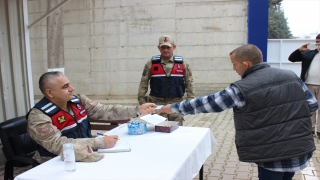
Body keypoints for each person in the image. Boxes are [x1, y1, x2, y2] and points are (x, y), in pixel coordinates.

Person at [158, 44, 318, 180]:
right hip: (299, 148)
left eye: (234, 64)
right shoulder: (291, 76)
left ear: (246, 64)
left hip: (272, 154)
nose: (233, 68)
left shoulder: (242, 88)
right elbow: (312, 105)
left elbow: (207, 103)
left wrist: (171, 107)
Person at [27, 71, 156, 163]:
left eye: (69, 84)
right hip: (54, 162)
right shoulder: (39, 116)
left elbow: (104, 110)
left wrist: (136, 110)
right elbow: (58, 145)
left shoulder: (78, 101)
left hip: (85, 155)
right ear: (50, 93)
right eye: (65, 87)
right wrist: (99, 143)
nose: (72, 88)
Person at [137, 35, 195, 125]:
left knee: (176, 130)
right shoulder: (151, 63)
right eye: (163, 47)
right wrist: (142, 101)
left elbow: (189, 82)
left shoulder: (182, 63)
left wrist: (189, 101)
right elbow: (143, 83)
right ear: (159, 48)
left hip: (176, 103)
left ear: (174, 47)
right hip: (156, 103)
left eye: (168, 47)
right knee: (157, 130)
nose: (165, 50)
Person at [288, 34, 320, 138]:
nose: (318, 44)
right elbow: (292, 59)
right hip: (308, 83)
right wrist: (300, 50)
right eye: (317, 42)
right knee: (310, 107)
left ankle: (319, 130)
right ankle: (310, 129)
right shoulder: (309, 53)